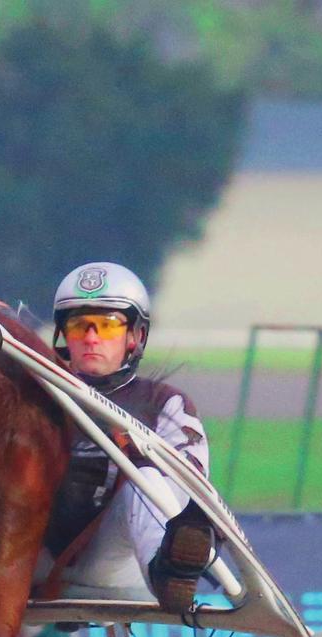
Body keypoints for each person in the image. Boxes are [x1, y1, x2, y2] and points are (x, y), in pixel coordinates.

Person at [39, 262, 216, 613]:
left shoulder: (165, 404)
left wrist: (138, 453)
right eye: (78, 325)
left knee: (146, 479)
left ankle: (169, 575)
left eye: (107, 326)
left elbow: (190, 487)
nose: (91, 337)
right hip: (30, 555)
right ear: (64, 336)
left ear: (134, 336)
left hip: (116, 561)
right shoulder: (35, 397)